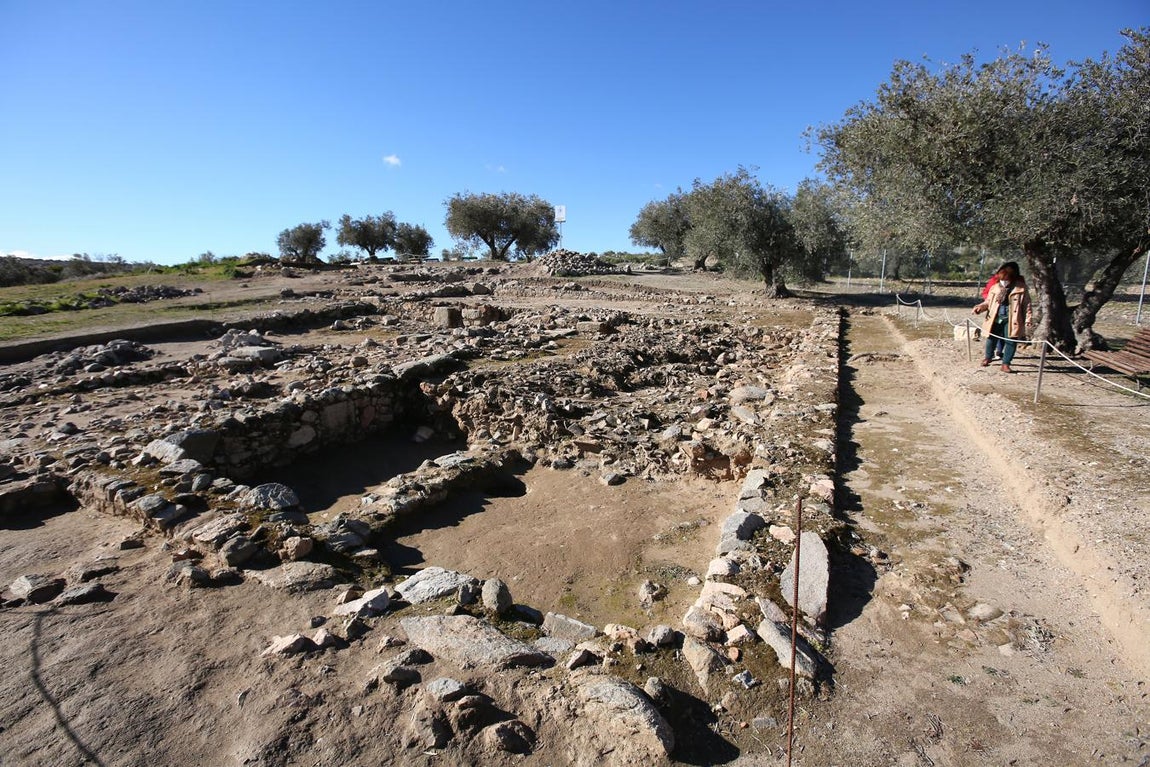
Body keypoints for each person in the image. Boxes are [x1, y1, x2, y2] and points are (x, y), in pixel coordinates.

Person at [972, 261, 1032, 373]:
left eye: (1006, 279)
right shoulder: (995, 287)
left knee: (1011, 341)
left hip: (1012, 319)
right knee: (991, 338)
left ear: (1012, 278)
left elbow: (1027, 304)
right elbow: (988, 302)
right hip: (995, 317)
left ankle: (1006, 363)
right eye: (1001, 279)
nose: (1003, 282)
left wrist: (1028, 318)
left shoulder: (1021, 288)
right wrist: (980, 307)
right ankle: (988, 357)